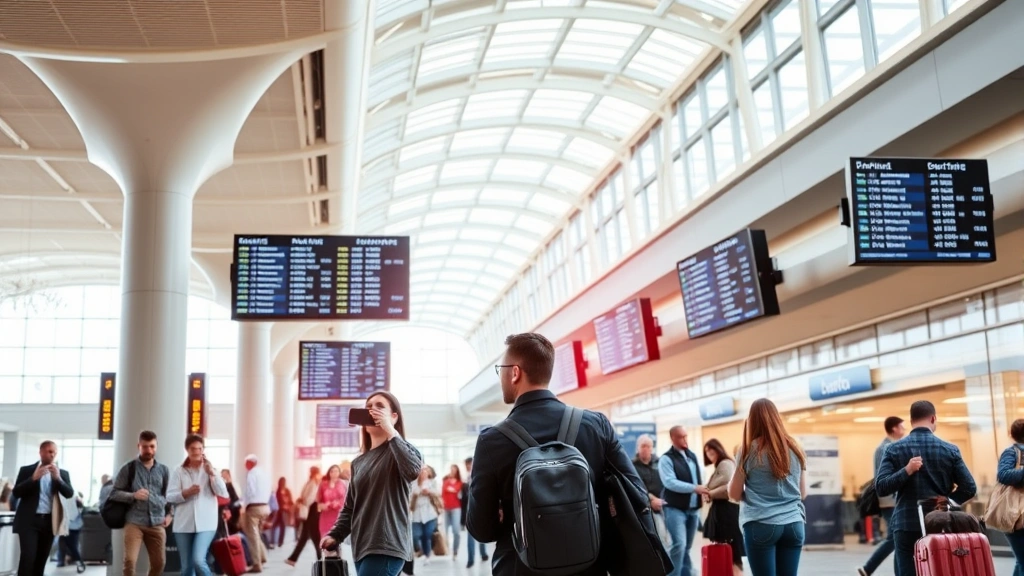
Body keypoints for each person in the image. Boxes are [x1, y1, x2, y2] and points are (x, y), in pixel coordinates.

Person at [466, 332, 645, 576]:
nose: (502, 378)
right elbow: (637, 495)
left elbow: (481, 529)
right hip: (589, 565)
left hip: (520, 567)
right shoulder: (595, 425)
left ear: (515, 372)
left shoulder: (492, 440)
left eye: (502, 370)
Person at [320, 391, 423, 576]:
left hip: (387, 545)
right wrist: (335, 535)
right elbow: (350, 507)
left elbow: (413, 470)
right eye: (368, 407)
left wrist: (390, 430)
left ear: (394, 416)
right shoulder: (359, 462)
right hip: (362, 548)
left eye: (379, 406)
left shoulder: (402, 451)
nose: (372, 410)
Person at [875, 400, 977, 576]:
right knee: (940, 569)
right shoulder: (950, 449)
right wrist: (947, 502)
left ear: (911, 420)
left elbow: (881, 487)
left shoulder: (893, 449)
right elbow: (969, 487)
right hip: (940, 523)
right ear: (933, 418)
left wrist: (905, 472)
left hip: (906, 524)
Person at [728, 399, 807, 576]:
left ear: (752, 421)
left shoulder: (748, 450)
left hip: (760, 524)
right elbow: (803, 493)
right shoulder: (796, 448)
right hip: (794, 524)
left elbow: (733, 493)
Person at [108, 430, 173, 576]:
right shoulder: (128, 468)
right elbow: (113, 493)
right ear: (139, 446)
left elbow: (170, 496)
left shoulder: (164, 470)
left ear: (156, 447)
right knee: (130, 561)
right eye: (145, 446)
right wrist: (133, 495)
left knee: (159, 563)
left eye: (152, 446)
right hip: (134, 522)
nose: (148, 450)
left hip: (157, 522)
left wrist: (170, 515)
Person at [166, 434, 229, 576]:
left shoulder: (211, 469)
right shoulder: (178, 470)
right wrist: (185, 493)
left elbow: (223, 493)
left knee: (198, 560)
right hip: (183, 524)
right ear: (187, 450)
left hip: (206, 523)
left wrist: (212, 474)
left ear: (203, 450)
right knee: (187, 567)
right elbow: (169, 496)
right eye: (193, 449)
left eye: (200, 449)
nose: (197, 452)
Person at [12, 441, 75, 576]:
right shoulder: (27, 471)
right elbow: (16, 493)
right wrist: (33, 479)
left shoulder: (62, 473)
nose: (53, 455)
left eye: (55, 452)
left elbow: (69, 493)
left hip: (48, 522)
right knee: (28, 558)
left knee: (41, 560)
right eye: (49, 452)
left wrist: (58, 479)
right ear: (41, 452)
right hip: (29, 521)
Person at [858, 416, 906, 576]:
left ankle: (875, 569)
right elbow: (881, 476)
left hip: (896, 498)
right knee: (894, 538)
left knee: (897, 538)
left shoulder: (894, 446)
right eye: (902, 427)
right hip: (888, 499)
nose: (904, 430)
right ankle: (868, 568)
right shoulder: (883, 448)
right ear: (894, 428)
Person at [659, 425, 707, 576]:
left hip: (693, 509)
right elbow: (669, 482)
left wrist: (702, 492)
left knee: (686, 547)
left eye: (686, 436)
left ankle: (686, 573)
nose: (685, 439)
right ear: (673, 438)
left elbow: (698, 478)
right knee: (679, 545)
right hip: (674, 509)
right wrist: (694, 488)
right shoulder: (666, 459)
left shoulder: (691, 455)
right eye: (681, 437)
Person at [703, 439, 743, 576]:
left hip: (726, 511)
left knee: (732, 551)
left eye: (711, 449)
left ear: (718, 448)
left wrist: (709, 493)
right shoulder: (720, 465)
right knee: (729, 551)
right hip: (722, 511)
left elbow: (727, 485)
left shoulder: (725, 463)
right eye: (707, 451)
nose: (709, 453)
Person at [632, 434, 670, 547]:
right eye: (643, 446)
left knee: (671, 542)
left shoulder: (660, 462)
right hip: (645, 506)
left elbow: (667, 482)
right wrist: (652, 500)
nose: (646, 449)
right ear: (638, 447)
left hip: (664, 504)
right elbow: (636, 487)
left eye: (649, 446)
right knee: (658, 540)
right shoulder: (632, 466)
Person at [998, 418, 1024, 576]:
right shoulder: (1012, 452)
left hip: (1017, 515)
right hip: (1016, 515)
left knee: (1021, 560)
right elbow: (1003, 475)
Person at [285, 466, 322, 566]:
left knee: (315, 537)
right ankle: (293, 559)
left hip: (311, 511)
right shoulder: (311, 481)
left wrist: (302, 500)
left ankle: (321, 558)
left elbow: (310, 498)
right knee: (304, 536)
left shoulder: (314, 483)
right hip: (308, 511)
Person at [241, 454, 271, 573]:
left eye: (245, 463)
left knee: (252, 536)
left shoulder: (252, 473)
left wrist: (245, 505)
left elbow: (250, 491)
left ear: (250, 463)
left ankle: (256, 564)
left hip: (254, 508)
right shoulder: (264, 473)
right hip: (265, 507)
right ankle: (263, 557)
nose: (245, 466)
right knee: (256, 534)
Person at [459, 457, 488, 568]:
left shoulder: (480, 476)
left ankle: (483, 553)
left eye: (470, 464)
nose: (468, 467)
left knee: (480, 533)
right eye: (467, 465)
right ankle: (471, 559)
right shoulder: (465, 480)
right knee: (471, 535)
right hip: (469, 511)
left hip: (480, 509)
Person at [410, 465, 440, 564]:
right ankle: (420, 550)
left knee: (427, 535)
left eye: (425, 471)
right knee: (416, 535)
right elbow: (410, 495)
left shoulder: (433, 482)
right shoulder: (414, 483)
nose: (423, 473)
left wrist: (429, 492)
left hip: (430, 514)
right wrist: (418, 492)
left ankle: (427, 555)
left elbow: (438, 493)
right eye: (421, 471)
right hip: (417, 514)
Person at [56, 491, 86, 573]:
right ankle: (62, 561)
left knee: (72, 545)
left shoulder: (70, 497)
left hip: (71, 526)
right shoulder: (72, 497)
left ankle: (79, 563)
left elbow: (72, 514)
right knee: (65, 543)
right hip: (71, 525)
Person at [316, 465, 347, 544]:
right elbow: (318, 500)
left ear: (339, 472)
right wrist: (320, 506)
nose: (334, 473)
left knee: (335, 542)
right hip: (325, 516)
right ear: (329, 472)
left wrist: (330, 505)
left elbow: (344, 499)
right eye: (332, 471)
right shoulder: (323, 484)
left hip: (338, 516)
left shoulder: (342, 484)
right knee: (324, 541)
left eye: (336, 471)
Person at [441, 464, 462, 560]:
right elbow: (444, 491)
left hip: (456, 508)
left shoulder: (459, 482)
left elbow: (456, 490)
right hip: (446, 508)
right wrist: (449, 483)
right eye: (451, 469)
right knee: (445, 530)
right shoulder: (446, 480)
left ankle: (455, 550)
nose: (452, 471)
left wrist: (451, 489)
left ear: (457, 471)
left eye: (454, 470)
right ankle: (446, 549)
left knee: (456, 531)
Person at [272, 477, 293, 548]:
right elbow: (277, 501)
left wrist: (287, 506)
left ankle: (278, 542)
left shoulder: (287, 491)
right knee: (279, 525)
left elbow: (290, 500)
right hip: (280, 510)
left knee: (278, 525)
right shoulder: (278, 491)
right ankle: (278, 542)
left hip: (284, 511)